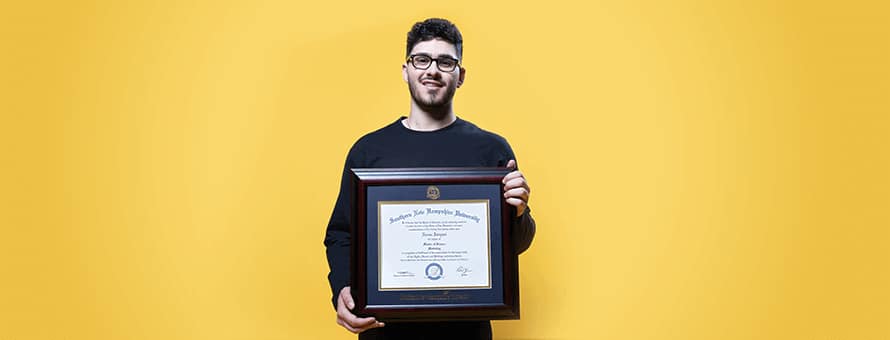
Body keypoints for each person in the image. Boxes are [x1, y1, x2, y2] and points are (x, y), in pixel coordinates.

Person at [323, 18, 536, 340]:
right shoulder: (369, 151)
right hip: (385, 330)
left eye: (446, 61)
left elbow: (515, 245)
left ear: (460, 75)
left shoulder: (491, 149)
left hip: (466, 332)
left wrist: (519, 212)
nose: (432, 70)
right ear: (406, 70)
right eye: (421, 59)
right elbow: (341, 233)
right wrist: (342, 289)